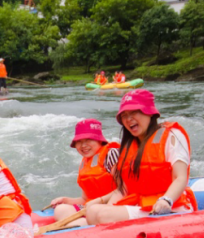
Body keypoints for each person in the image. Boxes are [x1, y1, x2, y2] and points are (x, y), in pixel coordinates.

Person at [69, 89, 196, 227]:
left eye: (134, 112)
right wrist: (106, 206)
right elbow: (123, 189)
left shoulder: (172, 135)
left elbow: (180, 177)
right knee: (94, 211)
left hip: (171, 207)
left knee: (102, 214)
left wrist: (166, 200)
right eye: (124, 115)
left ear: (149, 112)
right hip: (143, 206)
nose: (128, 119)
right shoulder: (129, 146)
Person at [48, 119, 120, 223]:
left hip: (113, 207)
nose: (83, 145)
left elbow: (124, 189)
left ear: (99, 140)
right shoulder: (85, 163)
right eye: (79, 141)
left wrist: (99, 202)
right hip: (92, 207)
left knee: (85, 219)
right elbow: (85, 199)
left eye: (88, 140)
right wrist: (66, 200)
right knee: (61, 209)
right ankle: (79, 227)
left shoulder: (111, 155)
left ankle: (79, 228)